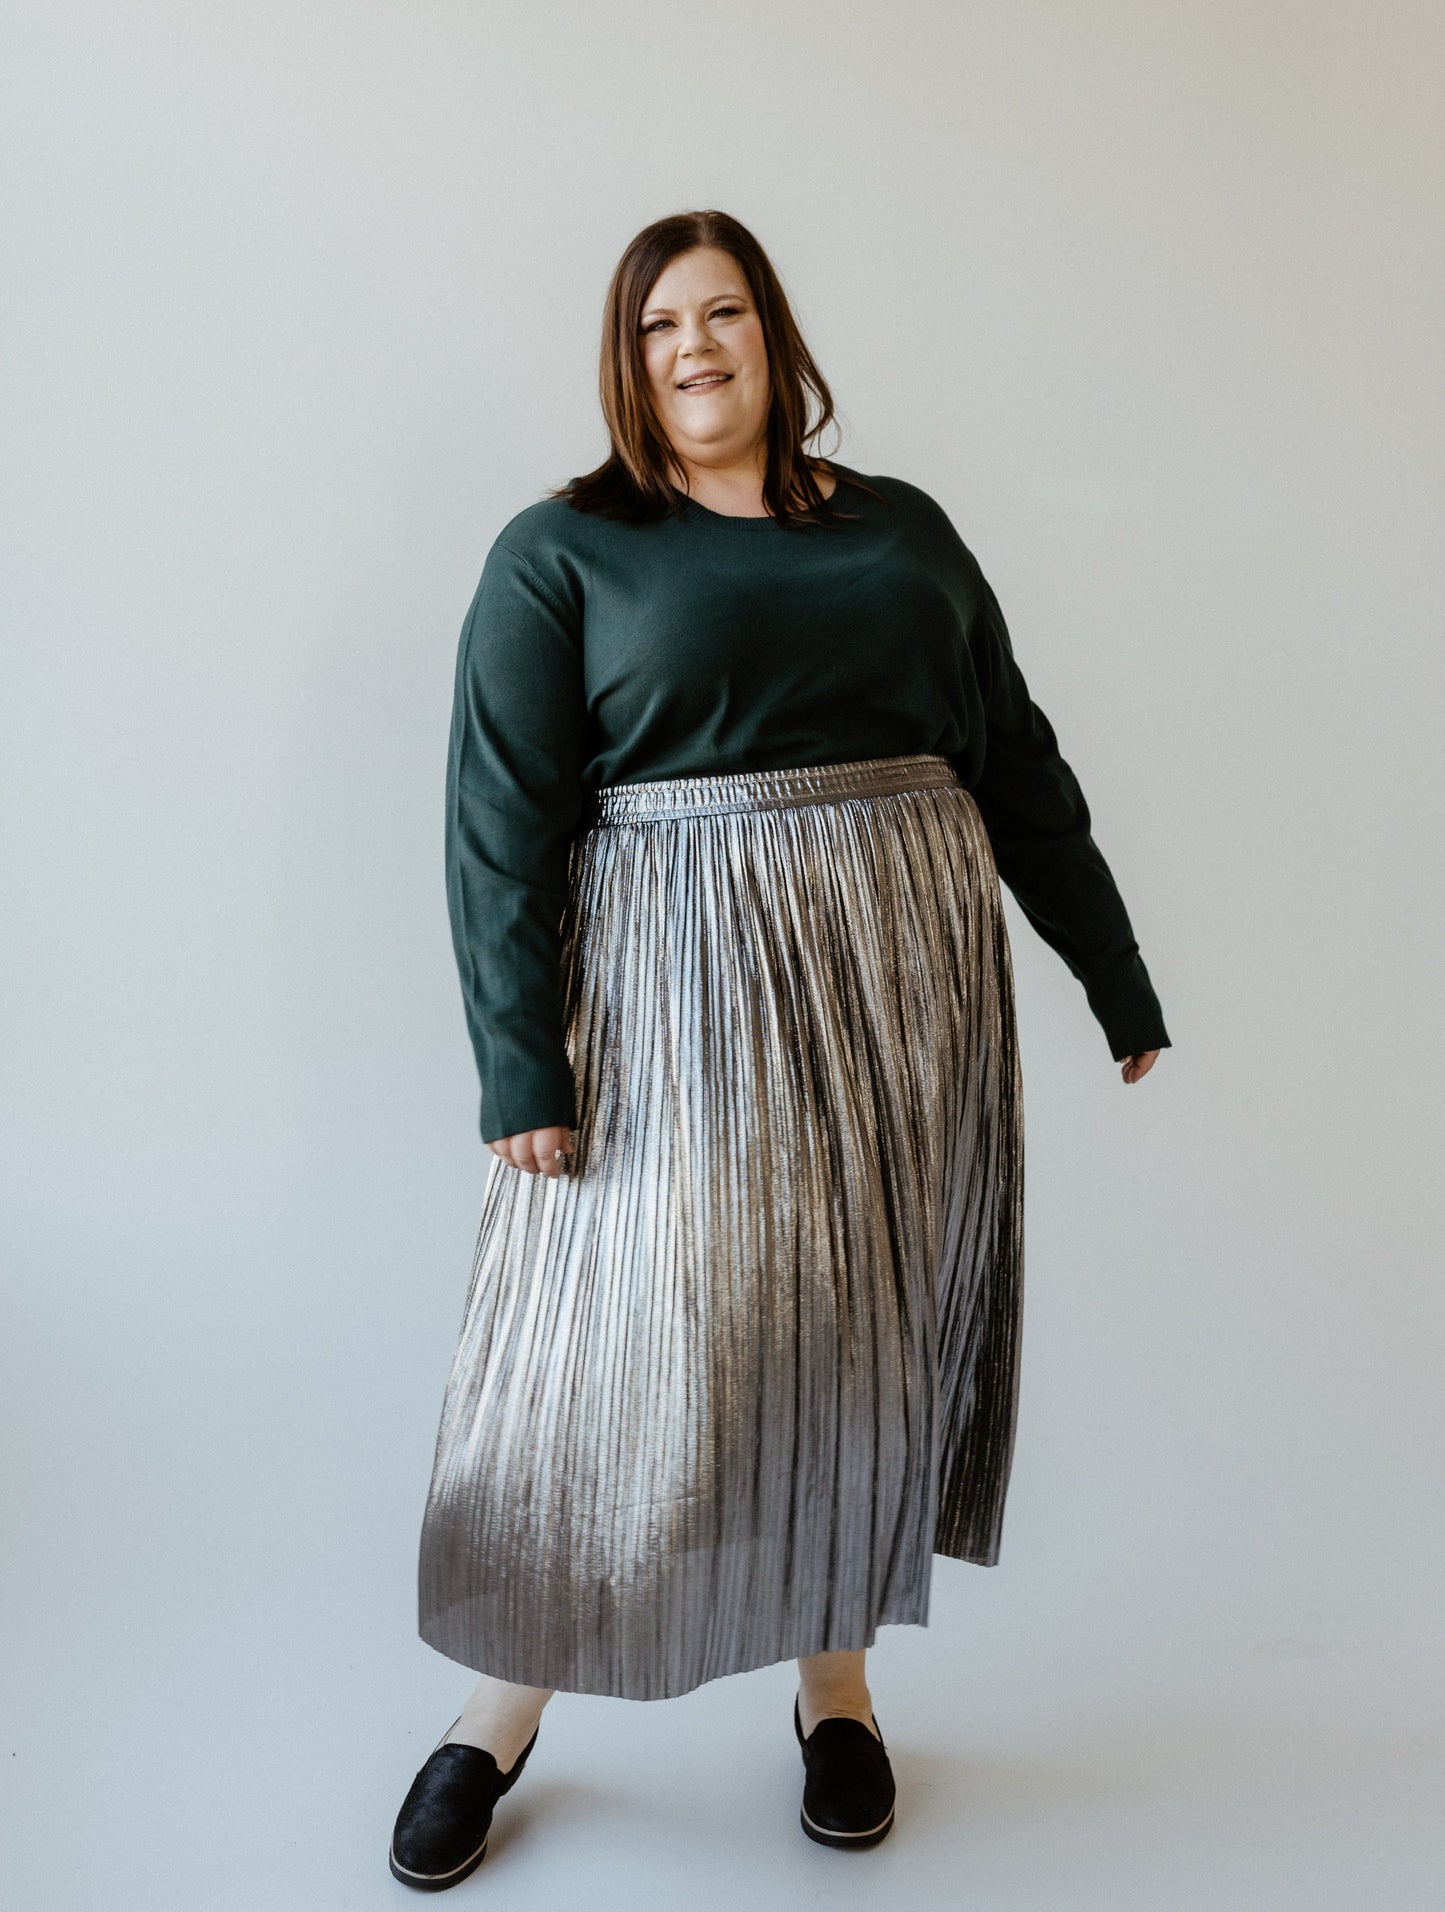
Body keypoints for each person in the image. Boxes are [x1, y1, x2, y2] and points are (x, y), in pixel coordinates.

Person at [389, 210, 1168, 1889]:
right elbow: (497, 821)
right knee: (622, 1352)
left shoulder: (899, 532)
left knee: (860, 1324)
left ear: (773, 334)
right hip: (672, 997)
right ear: (627, 356)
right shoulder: (564, 550)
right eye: (661, 321)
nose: (696, 344)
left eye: (724, 310)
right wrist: (522, 1062)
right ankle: (496, 1709)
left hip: (906, 980)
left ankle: (837, 1696)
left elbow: (1013, 758)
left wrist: (1113, 975)